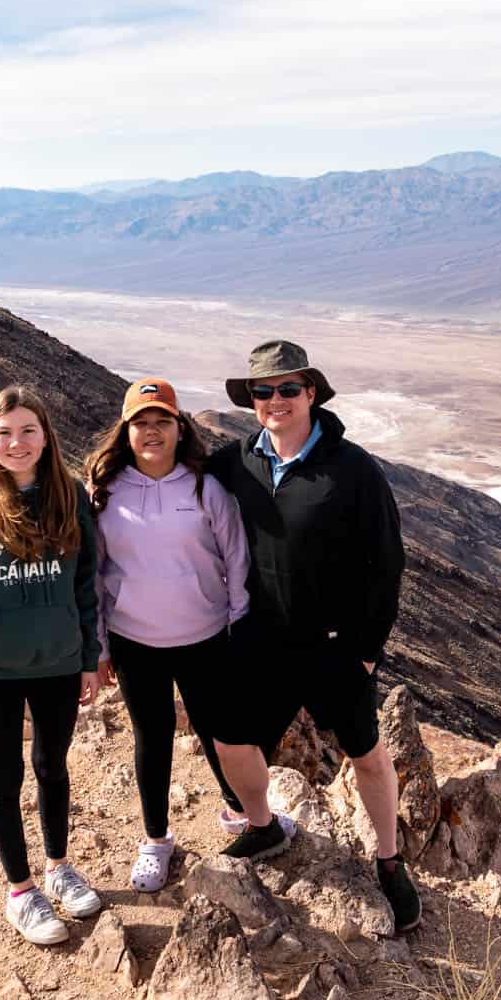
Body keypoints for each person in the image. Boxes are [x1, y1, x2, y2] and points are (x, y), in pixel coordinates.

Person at [204, 340, 421, 931]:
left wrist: (368, 652)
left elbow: (387, 563)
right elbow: (167, 478)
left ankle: (389, 861)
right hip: (262, 641)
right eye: (263, 391)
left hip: (334, 647)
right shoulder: (235, 461)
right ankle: (262, 825)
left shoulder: (352, 470)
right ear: (251, 400)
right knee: (229, 739)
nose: (275, 400)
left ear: (312, 394)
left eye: (288, 389)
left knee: (368, 757)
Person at [87, 375, 285, 891]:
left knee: (218, 734)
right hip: (136, 642)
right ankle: (156, 840)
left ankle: (238, 812)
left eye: (162, 422)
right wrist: (101, 647)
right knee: (151, 740)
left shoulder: (206, 489)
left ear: (179, 428)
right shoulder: (105, 495)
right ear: (125, 432)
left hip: (204, 638)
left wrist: (237, 628)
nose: (152, 432)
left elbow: (237, 561)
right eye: (141, 423)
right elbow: (95, 577)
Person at [0, 385, 103, 947]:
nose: (17, 442)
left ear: (46, 435)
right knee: (5, 777)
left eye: (28, 430)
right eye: (3, 432)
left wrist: (87, 656)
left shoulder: (69, 495)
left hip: (57, 662)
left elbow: (84, 584)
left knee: (53, 766)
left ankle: (59, 866)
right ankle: (22, 891)